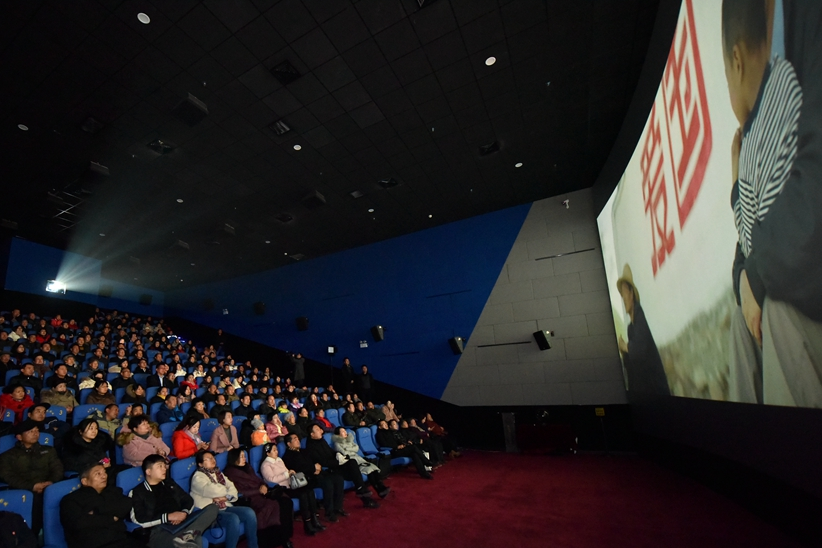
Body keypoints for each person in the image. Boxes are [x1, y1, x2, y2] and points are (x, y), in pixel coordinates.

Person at [723, 0, 822, 406]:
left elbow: (757, 236)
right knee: (739, 320)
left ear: (736, 61)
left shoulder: (769, 111)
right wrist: (748, 280)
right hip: (794, 265)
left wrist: (735, 184)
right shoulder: (781, 91)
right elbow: (750, 249)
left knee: (776, 311)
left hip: (805, 285)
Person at [129, 454, 219, 548]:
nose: (164, 469)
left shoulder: (169, 484)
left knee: (213, 508)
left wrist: (183, 513)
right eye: (160, 466)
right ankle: (187, 536)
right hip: (161, 530)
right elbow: (139, 520)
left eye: (164, 466)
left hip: (183, 523)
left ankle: (187, 534)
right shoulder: (138, 492)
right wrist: (168, 517)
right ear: (148, 471)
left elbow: (187, 500)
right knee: (197, 541)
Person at [614, 264, 670, 395]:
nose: (623, 299)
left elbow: (639, 349)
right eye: (621, 296)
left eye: (624, 294)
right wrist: (624, 353)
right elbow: (634, 364)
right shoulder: (630, 328)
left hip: (657, 392)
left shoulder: (640, 315)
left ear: (631, 293)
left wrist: (625, 346)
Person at [223, 448, 295, 548]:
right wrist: (258, 491)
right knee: (274, 505)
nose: (244, 458)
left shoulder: (247, 467)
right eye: (241, 456)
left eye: (244, 456)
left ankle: (285, 537)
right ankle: (277, 540)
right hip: (251, 498)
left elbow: (258, 479)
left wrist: (263, 485)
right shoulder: (230, 473)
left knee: (286, 501)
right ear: (234, 458)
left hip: (262, 493)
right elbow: (238, 492)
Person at [0, 419, 64, 531]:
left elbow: (57, 468)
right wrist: (32, 486)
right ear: (19, 437)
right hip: (25, 490)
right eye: (31, 431)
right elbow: (8, 476)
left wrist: (50, 483)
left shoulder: (49, 451)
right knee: (34, 502)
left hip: (49, 487)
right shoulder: (8, 456)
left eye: (37, 430)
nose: (36, 433)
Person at [60, 463, 143, 548]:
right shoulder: (71, 499)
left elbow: (127, 504)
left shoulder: (112, 491)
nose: (104, 476)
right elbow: (78, 523)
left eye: (104, 472)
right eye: (98, 474)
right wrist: (111, 518)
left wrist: (96, 511)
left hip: (122, 541)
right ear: (84, 481)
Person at [189, 451, 258, 548]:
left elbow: (234, 491)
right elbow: (215, 491)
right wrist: (226, 490)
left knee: (249, 512)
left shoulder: (218, 473)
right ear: (200, 464)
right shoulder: (198, 477)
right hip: (210, 512)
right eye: (208, 459)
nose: (213, 460)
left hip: (225, 506)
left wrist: (226, 497)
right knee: (233, 519)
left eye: (213, 458)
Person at [305, 424, 381, 507]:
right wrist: (338, 462)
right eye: (317, 429)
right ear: (312, 434)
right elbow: (322, 462)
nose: (321, 430)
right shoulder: (311, 447)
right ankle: (363, 493)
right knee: (354, 472)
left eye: (320, 428)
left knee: (352, 462)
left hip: (336, 465)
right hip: (329, 470)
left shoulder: (322, 441)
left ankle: (362, 490)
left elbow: (331, 452)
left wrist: (339, 455)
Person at [260, 442, 325, 536]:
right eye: (274, 450)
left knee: (309, 490)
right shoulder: (265, 465)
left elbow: (286, 472)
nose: (277, 452)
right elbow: (271, 480)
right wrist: (286, 474)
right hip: (281, 488)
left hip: (290, 484)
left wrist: (291, 473)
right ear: (267, 453)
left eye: (277, 449)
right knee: (303, 495)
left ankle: (314, 518)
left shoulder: (279, 460)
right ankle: (307, 524)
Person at [281, 432, 348, 522]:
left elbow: (315, 460)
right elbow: (298, 469)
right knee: (327, 483)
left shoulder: (304, 451)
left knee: (338, 478)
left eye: (298, 438)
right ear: (289, 444)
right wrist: (313, 469)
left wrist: (317, 467)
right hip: (307, 478)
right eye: (295, 439)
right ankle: (329, 513)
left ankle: (338, 507)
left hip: (317, 473)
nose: (298, 440)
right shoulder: (287, 456)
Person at [332, 426, 391, 497]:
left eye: (345, 431)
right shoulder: (337, 444)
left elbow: (356, 448)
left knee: (373, 469)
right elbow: (344, 453)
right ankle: (380, 490)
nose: (345, 433)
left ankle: (381, 488)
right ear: (338, 434)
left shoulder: (350, 440)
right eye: (343, 431)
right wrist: (351, 450)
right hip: (352, 463)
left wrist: (348, 449)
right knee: (369, 470)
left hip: (360, 459)